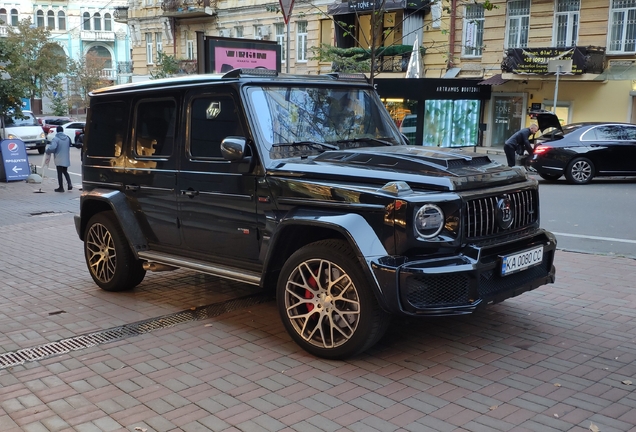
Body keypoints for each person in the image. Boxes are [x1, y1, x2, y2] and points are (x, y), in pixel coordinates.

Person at [46, 126, 72, 192]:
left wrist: (47, 150)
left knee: (59, 172)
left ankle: (61, 187)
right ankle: (69, 184)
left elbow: (52, 147)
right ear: (63, 131)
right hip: (66, 157)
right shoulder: (67, 138)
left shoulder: (56, 139)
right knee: (65, 171)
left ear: (57, 131)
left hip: (58, 157)